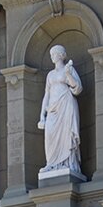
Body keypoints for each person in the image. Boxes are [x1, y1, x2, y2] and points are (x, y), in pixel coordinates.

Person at [37, 44, 85, 179]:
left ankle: (68, 163)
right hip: (52, 109)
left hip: (66, 105)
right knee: (50, 135)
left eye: (55, 54)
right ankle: (52, 163)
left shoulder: (68, 69)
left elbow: (77, 88)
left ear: (61, 55)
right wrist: (42, 116)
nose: (52, 56)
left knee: (67, 134)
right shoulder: (50, 75)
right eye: (51, 54)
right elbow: (46, 94)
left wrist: (69, 74)